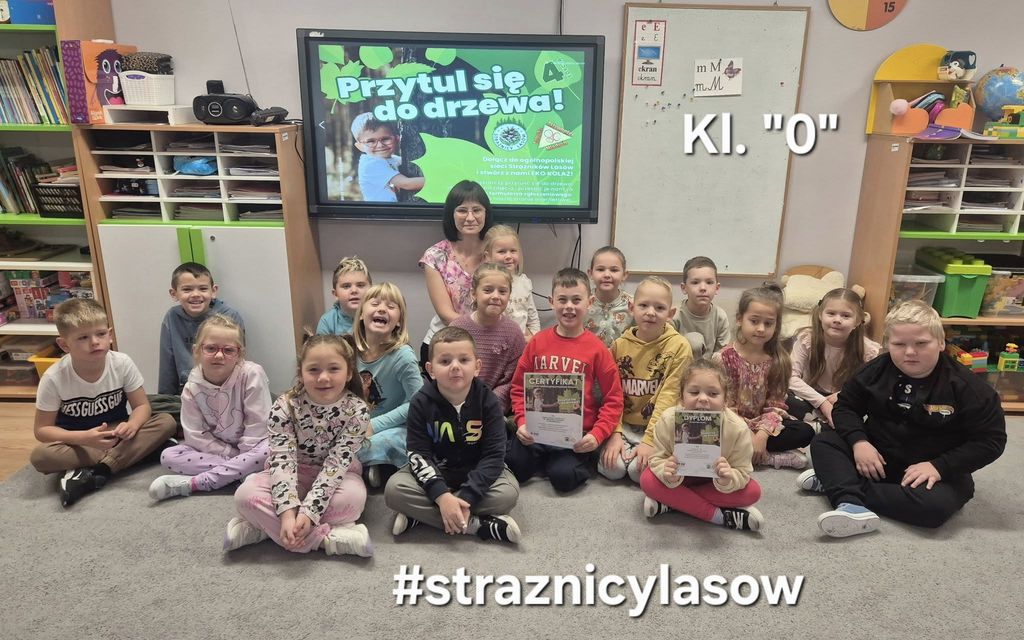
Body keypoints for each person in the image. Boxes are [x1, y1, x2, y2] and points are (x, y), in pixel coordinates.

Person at [797, 300, 1006, 537]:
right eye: (899, 344)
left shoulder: (970, 388)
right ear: (888, 344)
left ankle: (839, 484)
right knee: (824, 441)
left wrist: (939, 466)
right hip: (876, 459)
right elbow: (845, 407)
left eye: (921, 343)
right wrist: (859, 443)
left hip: (931, 469)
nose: (910, 352)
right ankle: (850, 504)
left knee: (934, 509)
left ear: (941, 342)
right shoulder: (874, 370)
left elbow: (991, 441)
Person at [225, 335, 373, 556]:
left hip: (337, 475)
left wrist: (308, 513)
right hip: (292, 471)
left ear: (349, 373)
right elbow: (282, 459)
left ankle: (264, 529)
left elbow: (336, 466)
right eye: (313, 370)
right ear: (301, 373)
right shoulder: (284, 406)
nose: (323, 377)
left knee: (352, 500)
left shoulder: (357, 411)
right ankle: (324, 540)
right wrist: (287, 513)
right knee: (244, 496)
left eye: (334, 369)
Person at [31, 299, 176, 507]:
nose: (94, 342)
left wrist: (132, 425)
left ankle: (100, 470)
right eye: (83, 337)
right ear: (64, 345)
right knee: (40, 456)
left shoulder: (122, 363)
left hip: (116, 432)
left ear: (110, 335)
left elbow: (142, 406)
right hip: (78, 442)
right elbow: (42, 430)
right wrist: (84, 437)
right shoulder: (54, 378)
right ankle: (136, 454)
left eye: (100, 334)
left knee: (166, 421)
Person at [384, 326, 521, 543]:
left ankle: (422, 516)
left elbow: (494, 456)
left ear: (477, 367)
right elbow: (418, 454)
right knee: (394, 491)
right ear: (430, 369)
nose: (455, 367)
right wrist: (441, 495)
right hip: (437, 471)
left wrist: (467, 495)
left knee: (508, 494)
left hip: (478, 471)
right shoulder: (420, 402)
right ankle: (477, 525)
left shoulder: (489, 401)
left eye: (464, 360)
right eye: (445, 361)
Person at [506, 268, 624, 493]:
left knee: (564, 479)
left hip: (574, 437)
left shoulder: (598, 349)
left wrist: (597, 435)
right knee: (515, 466)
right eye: (562, 300)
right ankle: (543, 459)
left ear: (589, 303)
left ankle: (566, 463)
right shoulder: (537, 342)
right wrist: (521, 422)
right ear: (551, 302)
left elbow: (614, 398)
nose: (569, 306)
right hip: (536, 431)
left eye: (576, 300)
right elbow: (519, 388)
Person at [148, 314, 272, 500]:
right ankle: (244, 474)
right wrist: (237, 458)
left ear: (239, 354)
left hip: (255, 446)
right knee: (169, 455)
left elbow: (258, 425)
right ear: (197, 351)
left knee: (271, 449)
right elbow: (196, 435)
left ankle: (196, 483)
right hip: (219, 451)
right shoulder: (192, 387)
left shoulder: (252, 374)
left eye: (228, 350)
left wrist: (246, 455)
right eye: (211, 348)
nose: (219, 355)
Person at [641, 359, 764, 531]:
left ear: (725, 400)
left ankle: (670, 502)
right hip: (680, 479)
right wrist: (666, 471)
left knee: (753, 491)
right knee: (647, 480)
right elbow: (657, 458)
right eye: (694, 392)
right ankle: (719, 517)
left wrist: (728, 477)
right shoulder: (668, 419)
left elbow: (743, 471)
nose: (703, 399)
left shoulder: (738, 428)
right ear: (682, 397)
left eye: (713, 394)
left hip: (713, 483)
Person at [600, 277, 693, 483]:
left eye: (659, 308)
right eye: (643, 305)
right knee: (613, 470)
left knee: (637, 472)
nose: (651, 312)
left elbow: (669, 397)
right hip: (624, 425)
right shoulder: (619, 346)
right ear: (632, 308)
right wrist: (615, 433)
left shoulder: (680, 347)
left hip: (660, 426)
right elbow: (612, 394)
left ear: (671, 313)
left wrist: (650, 440)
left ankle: (649, 453)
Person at [714, 284, 814, 469]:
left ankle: (752, 452)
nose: (761, 329)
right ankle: (769, 458)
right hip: (731, 424)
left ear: (776, 325)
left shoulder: (779, 360)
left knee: (805, 431)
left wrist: (761, 435)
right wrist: (748, 434)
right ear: (739, 319)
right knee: (708, 432)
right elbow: (723, 407)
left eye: (768, 323)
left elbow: (776, 404)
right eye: (754, 321)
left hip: (763, 424)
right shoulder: (723, 358)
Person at [351, 282, 423, 488]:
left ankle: (373, 467)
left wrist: (374, 425)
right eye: (375, 304)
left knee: (383, 442)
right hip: (358, 424)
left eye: (391, 306)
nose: (382, 309)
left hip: (397, 427)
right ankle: (371, 467)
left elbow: (418, 403)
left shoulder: (403, 357)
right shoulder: (349, 351)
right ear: (361, 314)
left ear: (399, 321)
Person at [419, 180, 495, 368]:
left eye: (476, 210)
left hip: (491, 345)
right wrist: (479, 336)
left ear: (486, 213)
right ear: (451, 214)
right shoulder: (434, 256)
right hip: (444, 346)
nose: (470, 217)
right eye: (462, 210)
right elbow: (446, 315)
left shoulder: (497, 253)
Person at [788, 288, 880, 428]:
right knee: (787, 400)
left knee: (868, 407)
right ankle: (825, 425)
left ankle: (819, 425)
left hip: (844, 399)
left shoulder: (868, 350)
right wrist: (822, 403)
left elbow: (870, 385)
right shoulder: (807, 339)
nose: (837, 320)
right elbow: (790, 378)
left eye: (846, 316)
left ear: (857, 321)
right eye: (831, 313)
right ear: (820, 315)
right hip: (811, 396)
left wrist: (841, 395)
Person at [158, 262, 244, 396]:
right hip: (187, 390)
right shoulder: (172, 317)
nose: (195, 294)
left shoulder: (230, 316)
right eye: (187, 289)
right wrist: (166, 399)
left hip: (225, 389)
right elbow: (167, 366)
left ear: (213, 291)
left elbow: (238, 358)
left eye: (203, 289)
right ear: (174, 294)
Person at [450, 263, 526, 413]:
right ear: (474, 294)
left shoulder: (514, 333)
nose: (495, 296)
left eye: (502, 291)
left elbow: (511, 380)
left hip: (494, 410)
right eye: (488, 290)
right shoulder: (457, 328)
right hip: (456, 405)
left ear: (509, 295)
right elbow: (449, 371)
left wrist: (488, 406)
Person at [350, 112, 424, 202]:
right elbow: (407, 184)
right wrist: (438, 180)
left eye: (385, 139)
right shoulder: (371, 165)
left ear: (397, 139)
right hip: (381, 210)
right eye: (371, 141)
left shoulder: (390, 159)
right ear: (360, 146)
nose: (380, 145)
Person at [483, 224, 540, 340]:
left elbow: (533, 319)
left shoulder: (524, 283)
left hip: (521, 343)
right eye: (502, 252)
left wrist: (534, 338)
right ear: (488, 256)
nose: (508, 256)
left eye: (513, 251)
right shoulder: (485, 285)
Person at [672, 256, 731, 358]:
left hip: (710, 366)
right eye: (695, 282)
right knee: (695, 340)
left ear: (717, 288)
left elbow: (722, 353)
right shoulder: (674, 315)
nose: (703, 288)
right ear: (684, 288)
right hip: (681, 364)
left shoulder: (720, 316)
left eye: (709, 282)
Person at [584, 246, 632, 347]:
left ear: (624, 275)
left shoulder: (634, 305)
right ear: (591, 273)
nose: (607, 275)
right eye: (600, 269)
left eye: (614, 270)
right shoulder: (582, 303)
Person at [316, 256, 372, 336]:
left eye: (360, 285)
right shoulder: (327, 322)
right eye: (346, 286)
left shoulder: (378, 316)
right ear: (335, 294)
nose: (354, 291)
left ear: (371, 290)